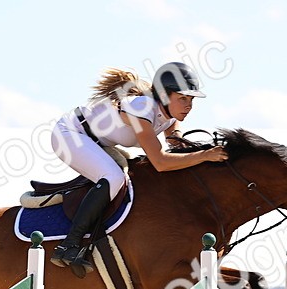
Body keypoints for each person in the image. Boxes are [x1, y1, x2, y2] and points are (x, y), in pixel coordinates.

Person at [49, 61, 228, 272]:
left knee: (124, 179)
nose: (189, 106)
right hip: (71, 135)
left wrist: (199, 148)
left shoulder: (170, 117)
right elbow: (160, 162)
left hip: (98, 143)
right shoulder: (142, 107)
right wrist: (206, 155)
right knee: (113, 178)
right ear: (164, 96)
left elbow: (176, 144)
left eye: (190, 99)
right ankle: (68, 245)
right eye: (182, 99)